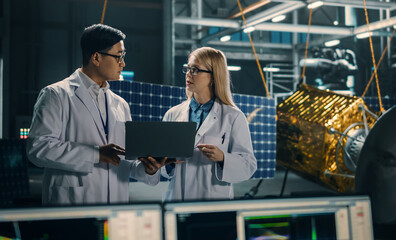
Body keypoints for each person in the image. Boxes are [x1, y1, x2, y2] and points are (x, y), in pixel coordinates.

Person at [27, 24, 171, 205]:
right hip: (71, 203)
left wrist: (148, 169)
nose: (123, 64)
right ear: (96, 57)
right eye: (119, 57)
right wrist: (95, 154)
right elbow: (38, 149)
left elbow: (125, 160)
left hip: (116, 204)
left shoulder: (121, 105)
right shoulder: (56, 95)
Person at [160, 47, 257, 201]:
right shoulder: (173, 114)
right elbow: (164, 168)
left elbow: (248, 165)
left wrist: (223, 157)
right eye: (188, 68)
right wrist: (167, 163)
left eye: (196, 69)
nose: (188, 74)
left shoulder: (233, 116)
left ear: (213, 77)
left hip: (214, 201)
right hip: (177, 199)